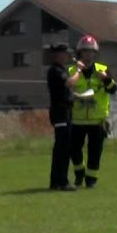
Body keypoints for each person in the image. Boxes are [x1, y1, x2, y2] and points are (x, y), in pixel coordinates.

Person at [67, 35, 117, 189]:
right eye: (85, 52)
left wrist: (106, 79)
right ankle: (79, 171)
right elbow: (66, 89)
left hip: (98, 119)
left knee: (95, 152)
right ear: (80, 53)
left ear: (95, 54)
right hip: (77, 118)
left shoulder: (103, 69)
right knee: (74, 150)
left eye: (91, 52)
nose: (88, 55)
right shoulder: (72, 70)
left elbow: (113, 90)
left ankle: (91, 179)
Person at [45, 42, 77, 191]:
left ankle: (57, 181)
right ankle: (61, 181)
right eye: (65, 53)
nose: (68, 56)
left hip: (66, 112)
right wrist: (80, 71)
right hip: (60, 113)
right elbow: (69, 83)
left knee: (64, 147)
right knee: (62, 147)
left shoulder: (60, 70)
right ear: (58, 55)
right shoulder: (55, 70)